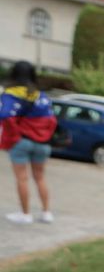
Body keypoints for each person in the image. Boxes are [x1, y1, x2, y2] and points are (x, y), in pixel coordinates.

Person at [0, 61, 57, 225]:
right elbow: (51, 120)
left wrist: (12, 137)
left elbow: (4, 116)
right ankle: (46, 213)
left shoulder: (10, 94)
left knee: (22, 179)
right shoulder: (41, 96)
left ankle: (25, 214)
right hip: (43, 143)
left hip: (21, 141)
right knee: (40, 178)